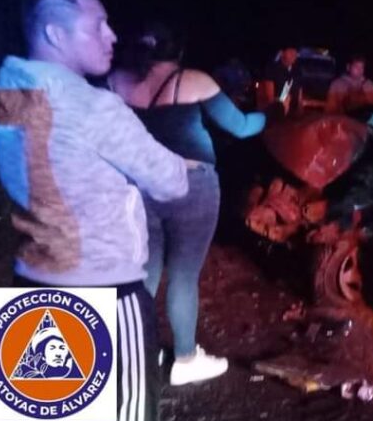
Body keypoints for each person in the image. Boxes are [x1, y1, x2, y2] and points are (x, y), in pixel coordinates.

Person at [0, 0, 189, 421]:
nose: (113, 36)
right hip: (104, 293)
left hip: (32, 284)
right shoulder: (94, 106)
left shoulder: (8, 90)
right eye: (98, 25)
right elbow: (169, 181)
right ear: (56, 34)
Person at [108, 22, 266, 386]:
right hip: (191, 186)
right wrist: (270, 114)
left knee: (143, 271)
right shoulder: (194, 80)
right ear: (178, 50)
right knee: (183, 274)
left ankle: (136, 352)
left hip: (139, 184)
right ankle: (184, 357)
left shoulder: (118, 81)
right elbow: (241, 127)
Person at [258, 46, 298, 110]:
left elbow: (292, 92)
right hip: (271, 110)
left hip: (285, 110)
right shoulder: (271, 69)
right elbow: (269, 97)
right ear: (282, 53)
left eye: (295, 52)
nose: (294, 55)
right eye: (290, 52)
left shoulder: (294, 71)